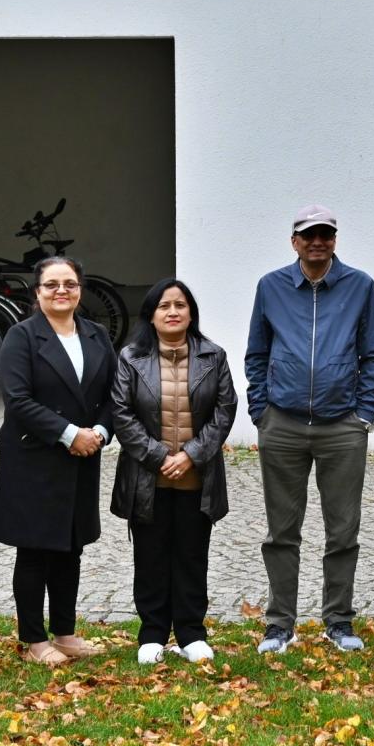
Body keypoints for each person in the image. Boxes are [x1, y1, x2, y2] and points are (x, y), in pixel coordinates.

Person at [246, 205, 374, 654]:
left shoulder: (359, 285)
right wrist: (260, 412)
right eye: (309, 236)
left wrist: (364, 413)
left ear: (335, 240)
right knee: (281, 532)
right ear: (294, 242)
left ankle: (339, 621)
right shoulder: (270, 287)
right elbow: (256, 354)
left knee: (343, 530)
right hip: (283, 424)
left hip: (341, 425)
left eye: (325, 235)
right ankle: (279, 625)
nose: (317, 242)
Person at [0, 256, 115, 665]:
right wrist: (69, 434)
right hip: (34, 456)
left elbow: (114, 395)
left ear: (80, 289)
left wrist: (100, 432)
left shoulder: (96, 335)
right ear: (37, 292)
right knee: (35, 549)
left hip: (83, 455)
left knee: (70, 547)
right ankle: (34, 640)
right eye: (52, 285)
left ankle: (66, 632)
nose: (62, 291)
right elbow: (18, 400)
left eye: (70, 284)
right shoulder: (22, 337)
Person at [110, 278, 238, 665]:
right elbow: (121, 413)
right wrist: (159, 455)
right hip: (148, 477)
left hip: (198, 477)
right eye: (164, 306)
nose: (172, 312)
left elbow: (224, 410)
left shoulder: (213, 356)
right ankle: (151, 633)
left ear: (190, 313)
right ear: (150, 315)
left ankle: (190, 632)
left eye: (180, 305)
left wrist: (191, 455)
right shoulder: (131, 357)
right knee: (150, 557)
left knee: (191, 555)